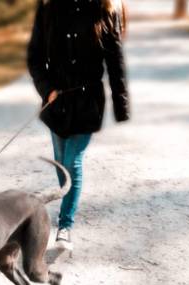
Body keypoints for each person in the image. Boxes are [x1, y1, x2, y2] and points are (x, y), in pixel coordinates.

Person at [27, 0, 130, 251]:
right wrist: (47, 88)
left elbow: (115, 62)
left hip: (88, 103)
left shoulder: (104, 10)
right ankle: (66, 206)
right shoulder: (48, 8)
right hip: (57, 102)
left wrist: (121, 105)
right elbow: (35, 57)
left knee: (72, 162)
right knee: (61, 162)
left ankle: (65, 225)